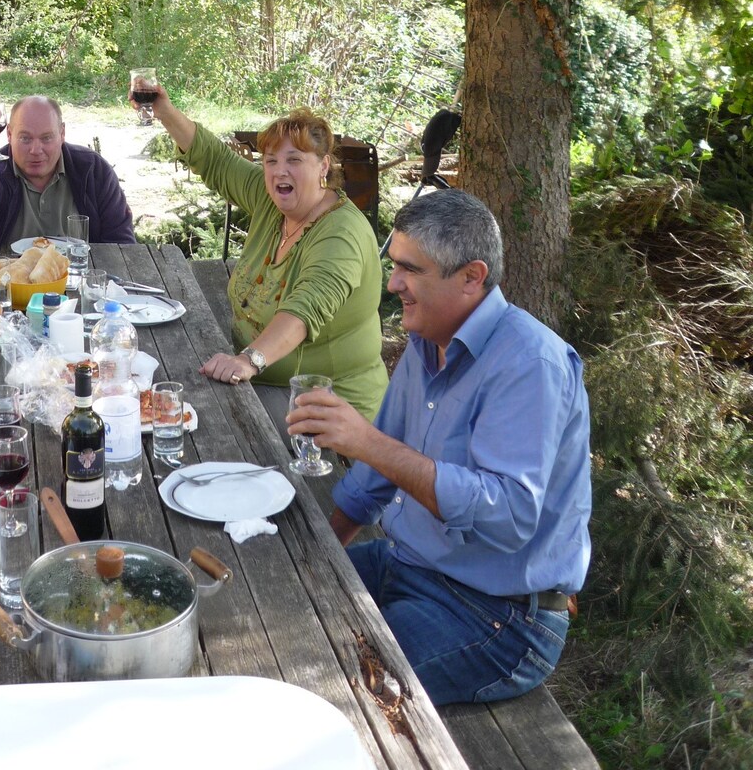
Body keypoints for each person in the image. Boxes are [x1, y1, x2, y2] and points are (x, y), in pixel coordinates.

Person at [286, 188, 591, 707]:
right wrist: (323, 554)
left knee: (329, 681)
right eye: (394, 264)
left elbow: (510, 514)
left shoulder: (530, 365)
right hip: (409, 564)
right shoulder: (429, 336)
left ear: (472, 277)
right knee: (285, 600)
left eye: (410, 270)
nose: (393, 283)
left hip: (499, 616)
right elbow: (376, 474)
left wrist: (369, 443)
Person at [146, 84, 387, 421]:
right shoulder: (271, 201)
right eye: (271, 161)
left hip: (326, 404)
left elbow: (305, 309)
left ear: (323, 166)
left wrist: (248, 360)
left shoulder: (341, 233)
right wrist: (164, 111)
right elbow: (216, 160)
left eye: (294, 160)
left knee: (200, 414)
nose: (279, 171)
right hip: (264, 381)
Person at [0, 95, 135, 249]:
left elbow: (121, 244)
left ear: (62, 134)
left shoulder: (92, 170)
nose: (35, 149)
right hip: (10, 283)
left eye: (46, 138)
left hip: (78, 281)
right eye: (25, 138)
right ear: (9, 134)